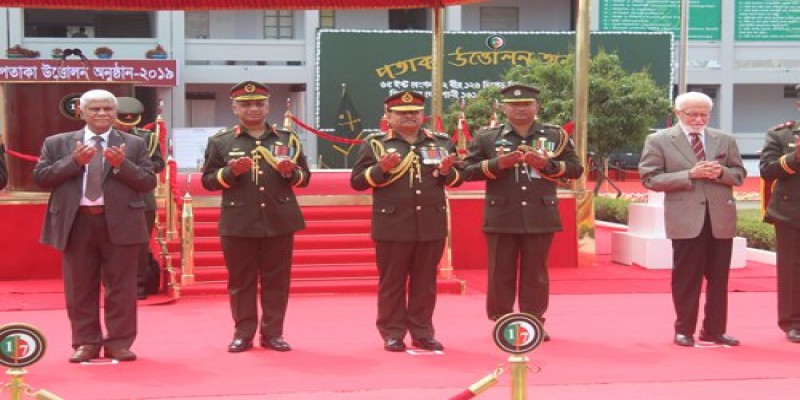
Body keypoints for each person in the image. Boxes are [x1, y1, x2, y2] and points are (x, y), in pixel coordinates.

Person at [33, 89, 157, 363]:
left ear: (115, 112)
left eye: (107, 109)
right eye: (95, 109)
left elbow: (148, 183)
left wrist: (121, 164)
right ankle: (85, 343)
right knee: (79, 288)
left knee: (122, 288)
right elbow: (42, 178)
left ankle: (119, 343)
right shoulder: (58, 143)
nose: (102, 114)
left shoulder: (134, 144)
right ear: (82, 112)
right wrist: (74, 162)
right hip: (77, 222)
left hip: (121, 221)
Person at [462, 84, 583, 341]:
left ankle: (533, 320)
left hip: (540, 213)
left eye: (526, 104)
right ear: (504, 108)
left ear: (536, 107)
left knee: (535, 273)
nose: (520, 109)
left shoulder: (554, 135)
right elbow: (466, 171)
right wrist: (498, 164)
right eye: (514, 105)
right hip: (501, 213)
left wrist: (547, 165)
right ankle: (502, 319)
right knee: (500, 271)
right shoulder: (488, 136)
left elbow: (576, 168)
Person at [201, 81, 311, 353]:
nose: (253, 109)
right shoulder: (222, 140)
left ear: (267, 106)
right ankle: (243, 333)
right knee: (241, 280)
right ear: (235, 108)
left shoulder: (286, 138)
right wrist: (231, 173)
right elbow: (208, 181)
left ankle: (273, 333)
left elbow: (305, 177)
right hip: (239, 219)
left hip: (279, 218)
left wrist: (288, 172)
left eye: (259, 103)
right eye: (246, 104)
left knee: (277, 280)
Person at [351, 91, 462, 352]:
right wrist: (382, 169)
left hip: (430, 223)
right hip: (393, 223)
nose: (410, 117)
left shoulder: (441, 142)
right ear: (388, 116)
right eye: (402, 113)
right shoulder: (376, 144)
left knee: (426, 282)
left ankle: (423, 331)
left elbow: (459, 178)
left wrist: (447, 171)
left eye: (414, 112)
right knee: (393, 281)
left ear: (422, 115)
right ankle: (393, 332)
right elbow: (357, 182)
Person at [639, 91, 746, 347]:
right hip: (685, 219)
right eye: (693, 114)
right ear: (678, 113)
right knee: (687, 278)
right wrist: (690, 174)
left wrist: (721, 172)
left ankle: (715, 330)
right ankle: (683, 329)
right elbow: (649, 178)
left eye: (704, 114)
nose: (699, 119)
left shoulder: (725, 139)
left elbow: (740, 174)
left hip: (720, 219)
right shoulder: (660, 140)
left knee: (719, 279)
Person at [758, 84, 800, 343]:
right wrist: (796, 158)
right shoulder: (781, 135)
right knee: (792, 271)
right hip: (792, 211)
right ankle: (793, 322)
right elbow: (767, 171)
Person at [114, 97, 165, 300]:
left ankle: (139, 285)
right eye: (121, 121)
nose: (125, 125)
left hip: (141, 198)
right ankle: (115, 283)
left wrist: (132, 169)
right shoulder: (103, 137)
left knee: (140, 244)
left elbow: (158, 164)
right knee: (112, 243)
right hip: (113, 197)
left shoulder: (147, 138)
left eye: (130, 121)